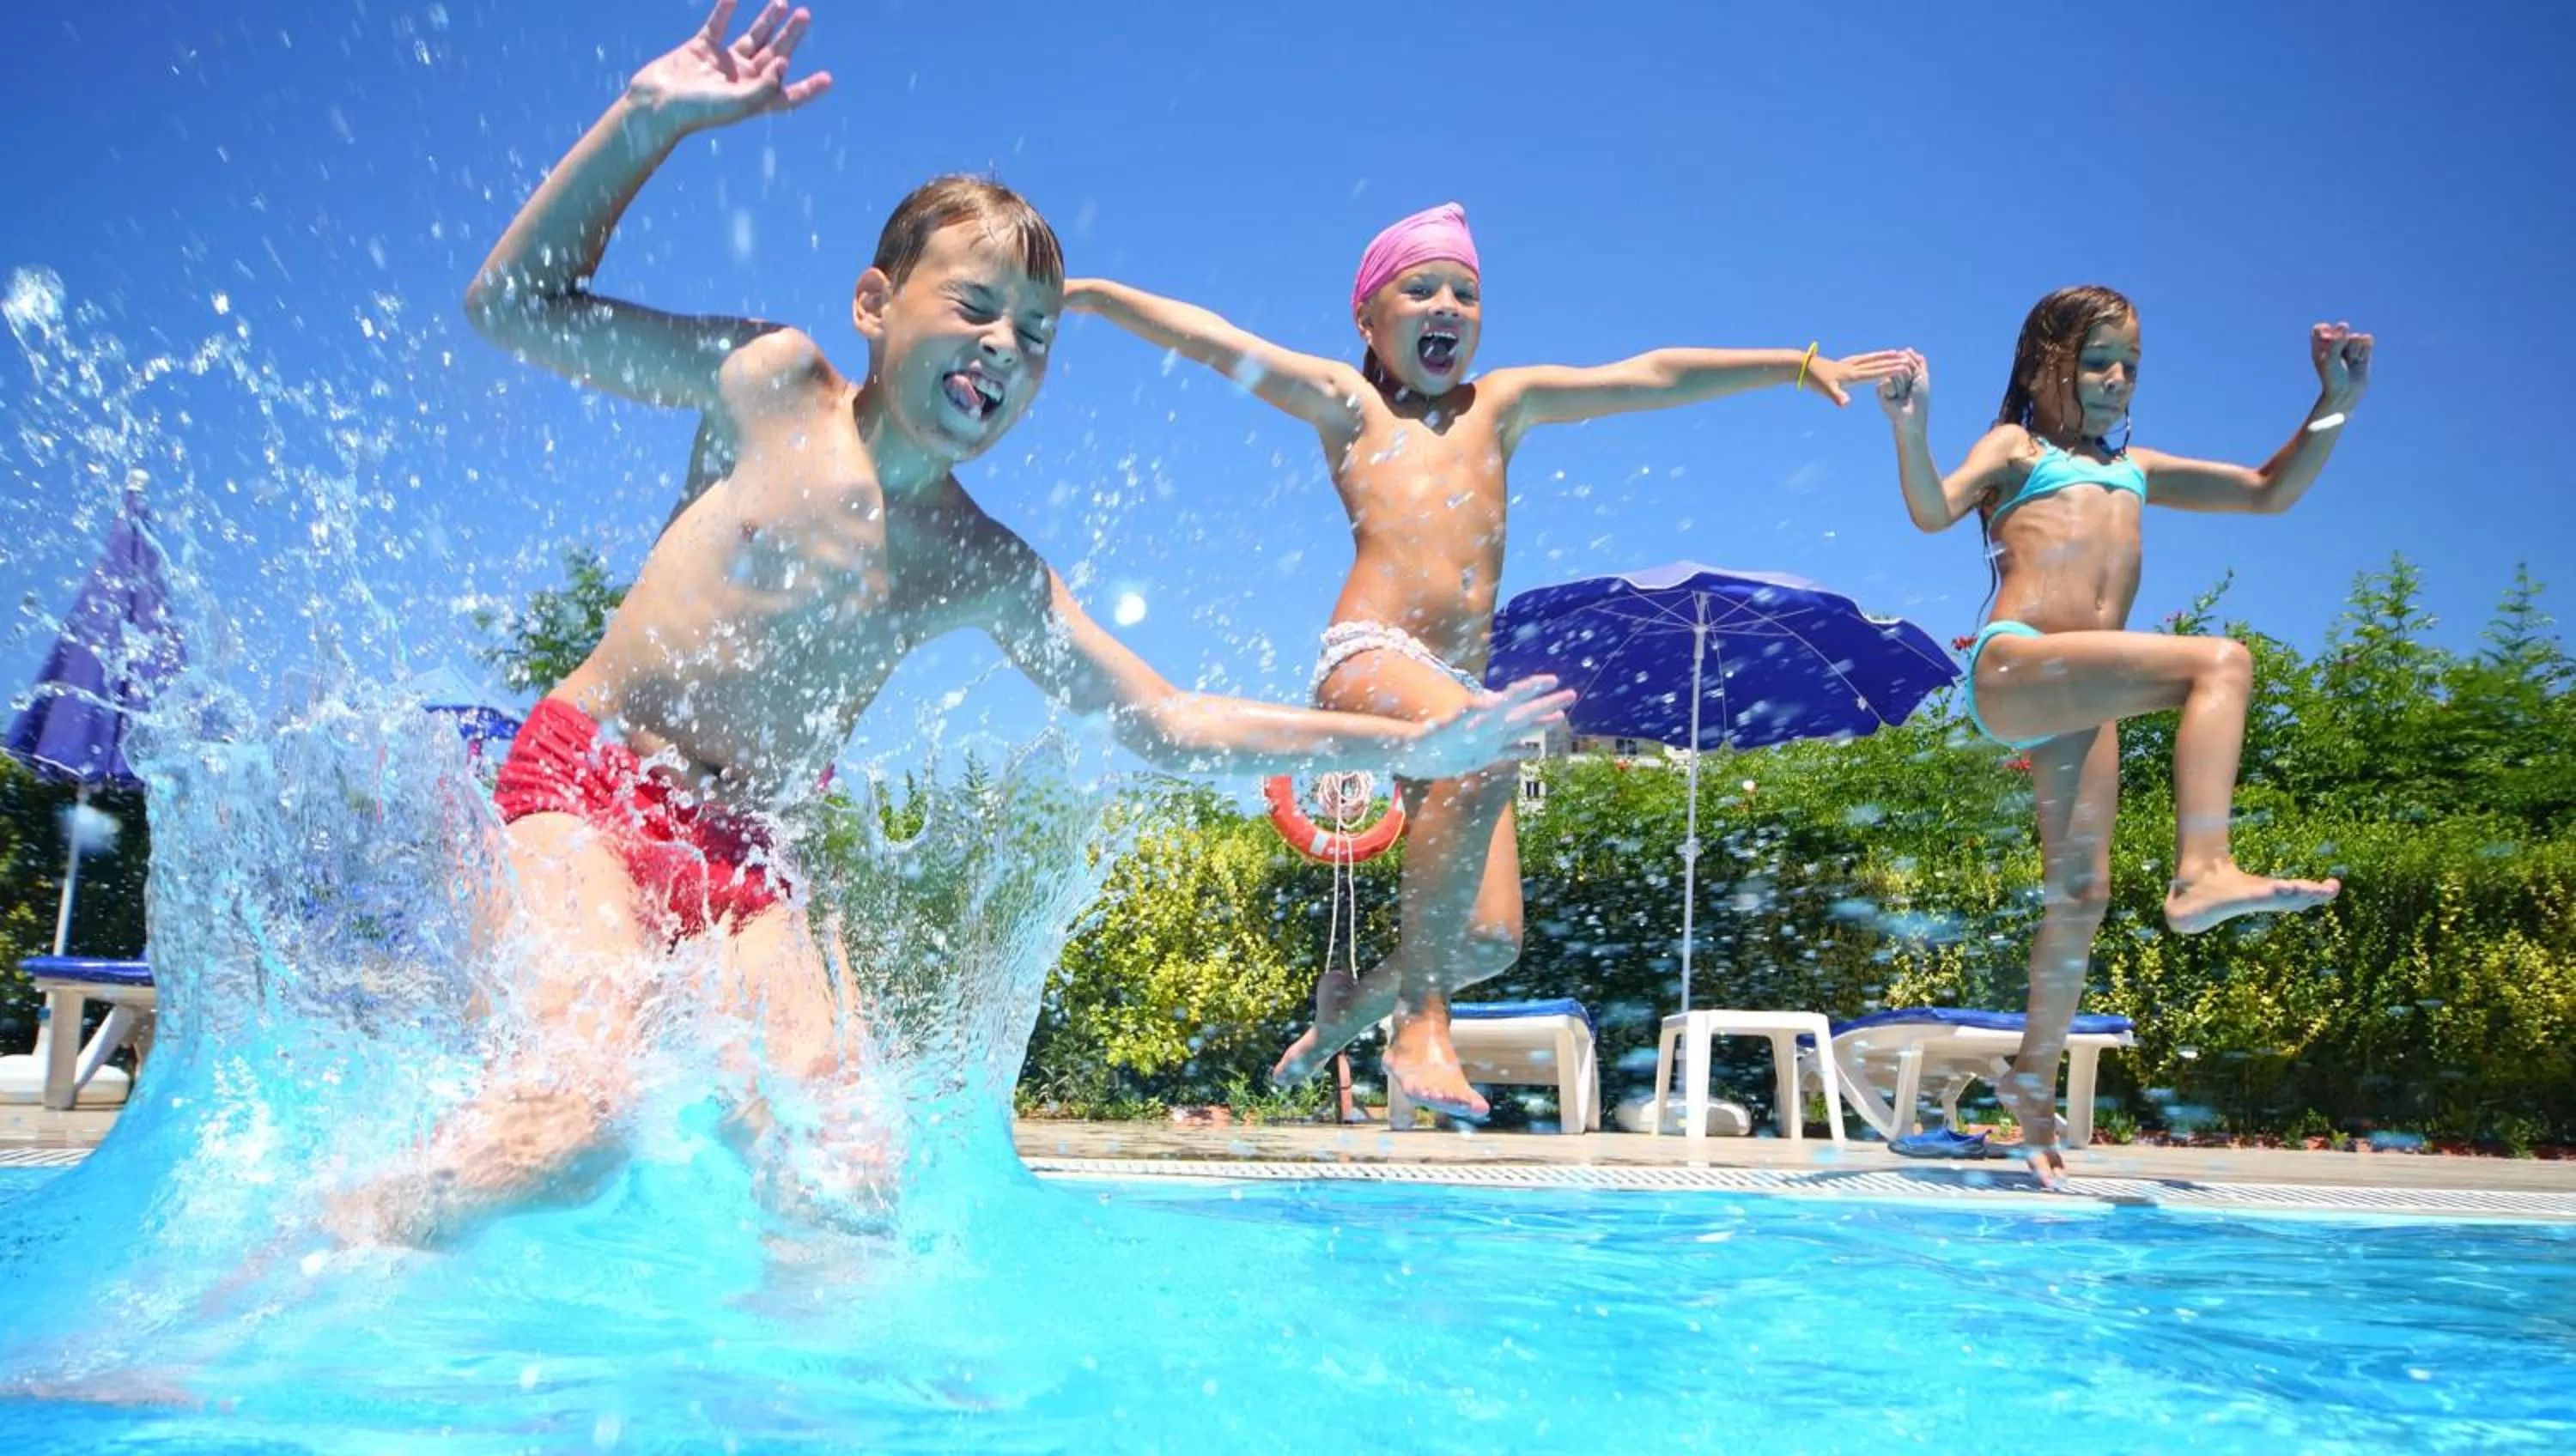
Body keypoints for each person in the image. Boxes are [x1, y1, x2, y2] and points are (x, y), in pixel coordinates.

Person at [331, 4, 1569, 1246]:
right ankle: (283, 1276)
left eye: (1035, 336)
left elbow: (1170, 722)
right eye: (974, 307)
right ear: (875, 302)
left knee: (845, 1178)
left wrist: (1403, 749)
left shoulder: (983, 565)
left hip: (753, 865)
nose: (1004, 348)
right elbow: (515, 304)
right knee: (575, 1124)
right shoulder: (769, 387)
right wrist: (648, 124)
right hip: (590, 791)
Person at [1067, 203, 1905, 1119]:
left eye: (1465, 292)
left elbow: (1647, 376)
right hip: (1370, 655)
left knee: (1490, 937)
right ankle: (1418, 1020)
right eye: (1420, 287)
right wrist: (1098, 297)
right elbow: (1216, 340)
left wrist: (1792, 365)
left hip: (1456, 689)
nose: (1447, 306)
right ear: (1367, 319)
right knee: (1477, 747)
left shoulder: (1501, 406)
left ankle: (1351, 1007)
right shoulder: (1349, 406)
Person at [1874, 284, 2367, 1187]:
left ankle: (2031, 1080)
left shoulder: (2136, 466)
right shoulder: (2016, 448)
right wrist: (1912, 426)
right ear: (2044, 365)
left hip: (2079, 699)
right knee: (2220, 662)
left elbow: (2267, 492)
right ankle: (2204, 867)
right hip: (2019, 663)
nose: (2115, 378)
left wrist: (2332, 406)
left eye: (2130, 364)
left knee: (2081, 893)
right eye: (2098, 358)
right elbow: (1931, 508)